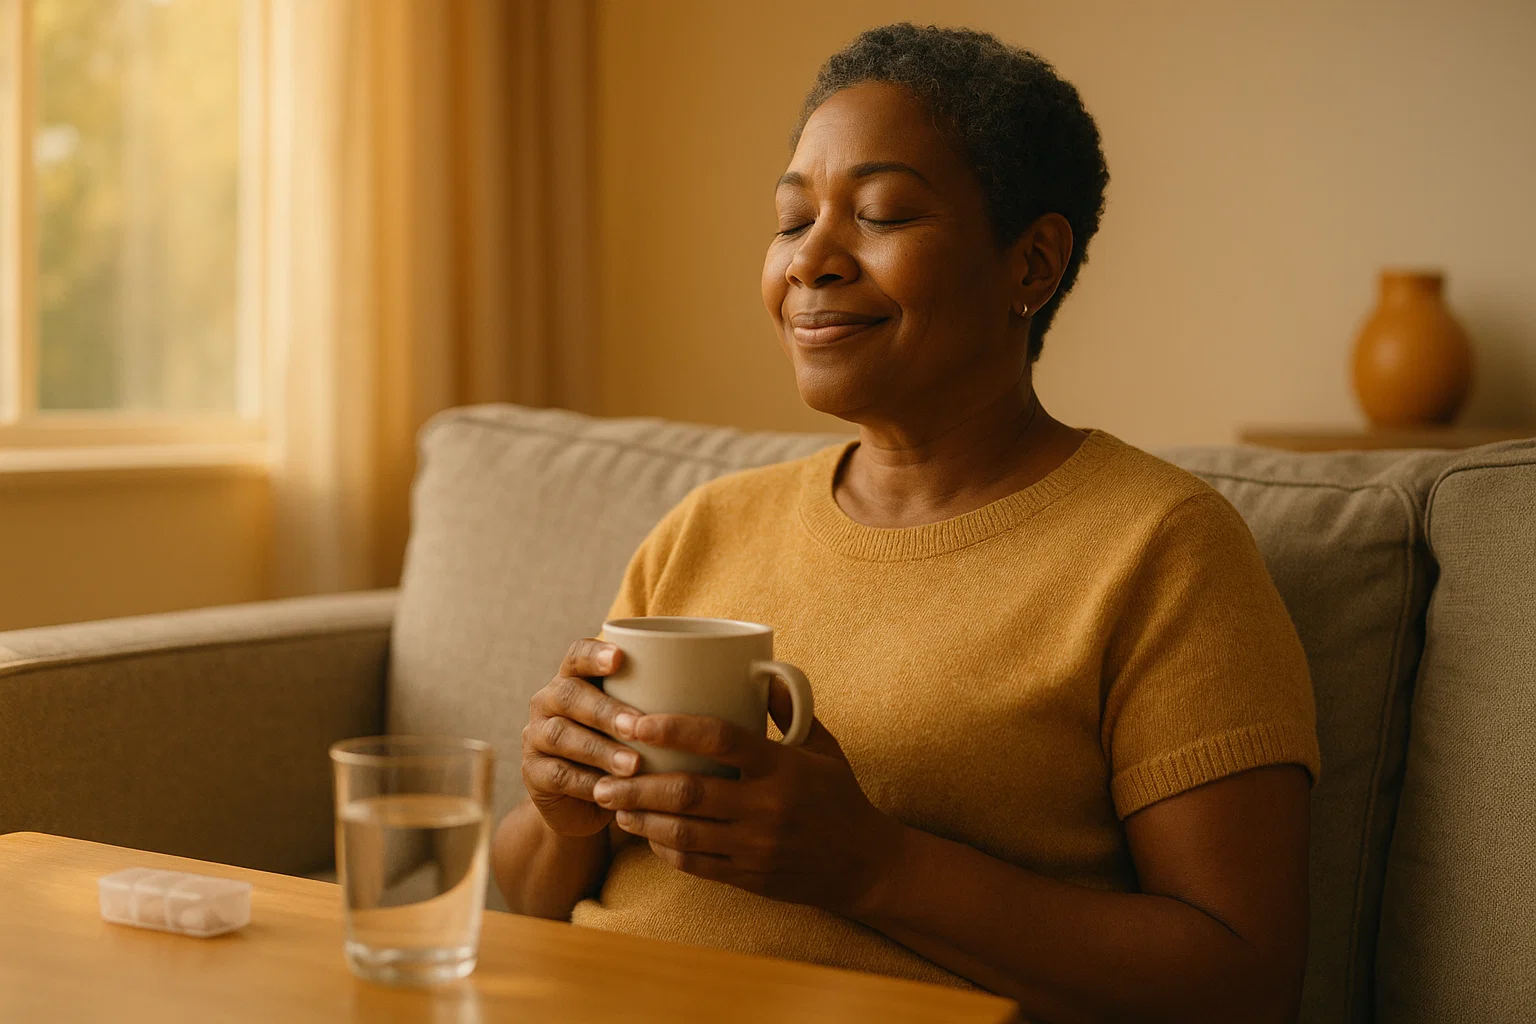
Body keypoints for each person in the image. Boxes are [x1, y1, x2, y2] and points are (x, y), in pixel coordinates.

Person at [492, 22, 1319, 1023]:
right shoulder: (706, 526)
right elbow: (528, 900)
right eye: (792, 221)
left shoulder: (1161, 547)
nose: (814, 261)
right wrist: (562, 811)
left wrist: (873, 866)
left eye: (880, 214)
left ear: (1032, 265)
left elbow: (1242, 981)